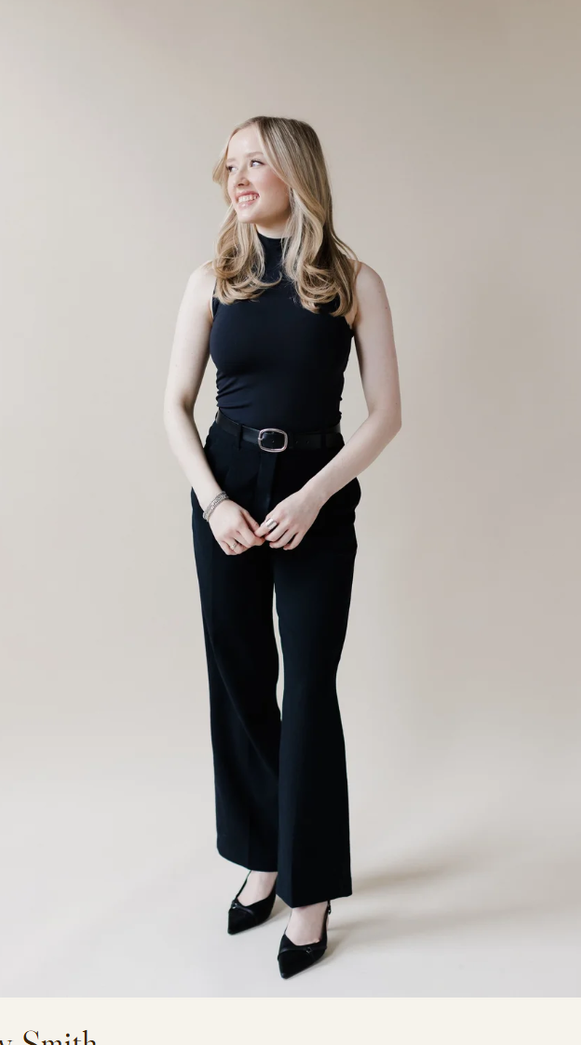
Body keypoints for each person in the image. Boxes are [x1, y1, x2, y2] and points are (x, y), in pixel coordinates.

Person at [161, 116, 401, 979]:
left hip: (315, 493)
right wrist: (215, 500)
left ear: (297, 170)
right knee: (238, 679)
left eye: (256, 160)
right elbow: (174, 405)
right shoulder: (211, 279)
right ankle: (263, 852)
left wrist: (314, 493)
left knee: (307, 686)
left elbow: (385, 417)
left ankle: (310, 891)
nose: (239, 175)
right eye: (230, 164)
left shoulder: (353, 280)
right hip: (225, 488)